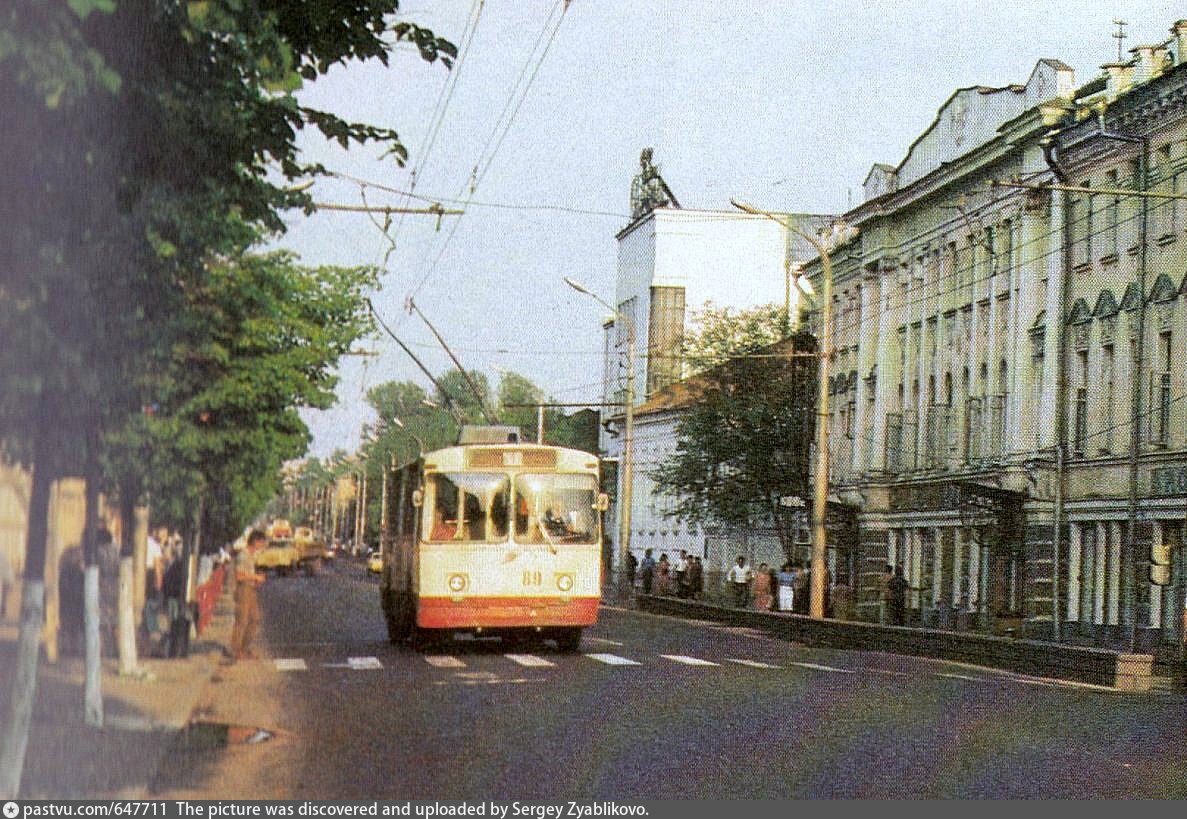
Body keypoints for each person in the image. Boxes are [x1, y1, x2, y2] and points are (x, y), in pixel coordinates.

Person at [226, 529, 267, 663]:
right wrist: (255, 577)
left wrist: (256, 580)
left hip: (251, 589)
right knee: (241, 620)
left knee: (255, 619)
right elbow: (239, 576)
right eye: (261, 543)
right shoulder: (243, 556)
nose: (262, 546)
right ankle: (235, 651)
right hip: (244, 590)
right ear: (255, 541)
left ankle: (244, 648)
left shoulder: (250, 556)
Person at [143, 527, 166, 648]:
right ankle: (152, 631)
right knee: (151, 604)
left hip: (138, 573)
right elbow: (157, 567)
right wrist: (158, 584)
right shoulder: (154, 546)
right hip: (150, 575)